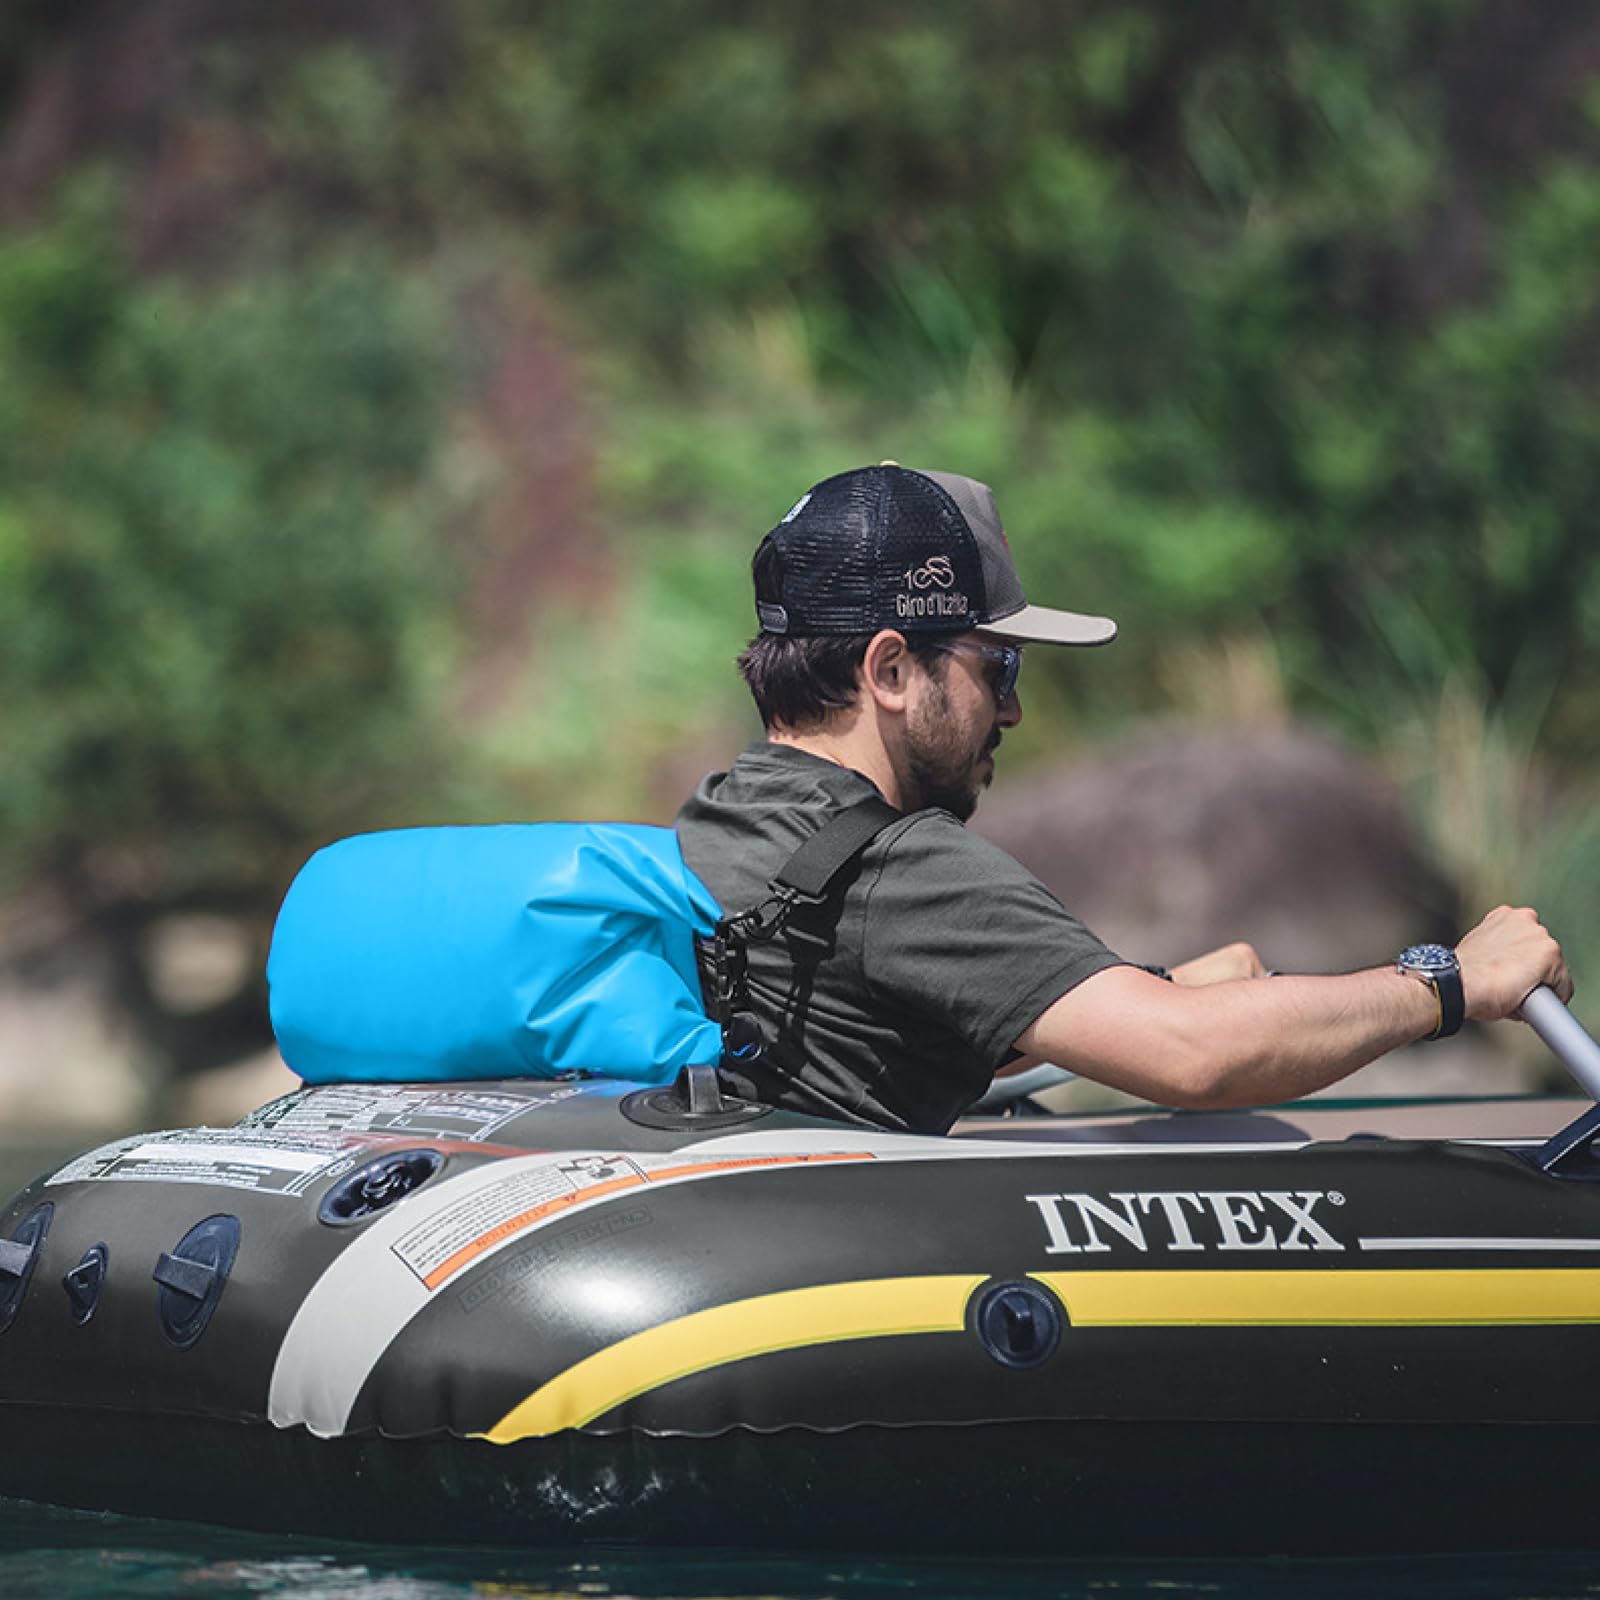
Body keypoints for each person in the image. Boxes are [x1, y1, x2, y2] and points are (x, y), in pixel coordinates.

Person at [675, 463, 1572, 1133]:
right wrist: (1452, 980)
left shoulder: (722, 819)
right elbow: (1195, 1056)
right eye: (998, 667)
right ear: (891, 671)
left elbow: (858, 1020)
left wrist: (1151, 991)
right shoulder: (901, 869)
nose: (1013, 710)